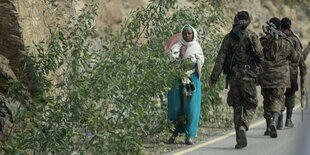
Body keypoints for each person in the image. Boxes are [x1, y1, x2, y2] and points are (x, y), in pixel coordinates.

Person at [209, 11, 263, 149]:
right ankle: (244, 126)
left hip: (233, 77)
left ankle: (239, 141)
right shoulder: (252, 36)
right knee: (251, 104)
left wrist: (214, 77)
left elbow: (220, 58)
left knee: (237, 107)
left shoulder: (228, 38)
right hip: (248, 76)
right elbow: (260, 55)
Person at [259, 17, 300, 138]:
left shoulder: (264, 41)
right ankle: (274, 120)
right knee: (277, 99)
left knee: (267, 100)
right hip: (280, 76)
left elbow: (257, 52)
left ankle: (268, 127)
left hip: (266, 75)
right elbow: (295, 57)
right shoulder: (286, 42)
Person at [167, 25, 204, 145]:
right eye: (185, 34)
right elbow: (170, 64)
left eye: (189, 34)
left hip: (191, 80)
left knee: (191, 108)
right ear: (181, 35)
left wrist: (194, 64)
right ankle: (173, 134)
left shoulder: (196, 47)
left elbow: (200, 61)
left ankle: (189, 136)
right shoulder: (176, 48)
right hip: (176, 80)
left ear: (194, 35)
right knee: (175, 108)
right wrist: (181, 56)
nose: (187, 36)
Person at [277, 17, 304, 129]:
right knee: (290, 95)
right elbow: (299, 57)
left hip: (279, 70)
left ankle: (279, 121)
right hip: (292, 71)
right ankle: (288, 120)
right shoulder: (295, 39)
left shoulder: (277, 37)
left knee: (279, 96)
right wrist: (303, 72)